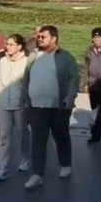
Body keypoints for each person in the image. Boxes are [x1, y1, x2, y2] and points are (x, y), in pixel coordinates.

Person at [23, 25, 79, 190]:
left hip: (58, 106)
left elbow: (73, 79)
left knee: (61, 136)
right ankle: (37, 174)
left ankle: (65, 164)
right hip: (36, 107)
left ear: (54, 38)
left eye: (43, 37)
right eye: (38, 36)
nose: (39, 39)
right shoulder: (33, 56)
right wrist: (25, 99)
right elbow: (25, 79)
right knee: (38, 141)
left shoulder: (65, 57)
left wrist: (70, 98)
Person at [0, 34, 32, 181]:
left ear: (19, 46)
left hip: (20, 104)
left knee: (22, 134)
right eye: (7, 44)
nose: (7, 47)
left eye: (10, 44)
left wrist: (27, 101)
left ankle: (25, 159)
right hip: (3, 103)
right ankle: (2, 168)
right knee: (3, 137)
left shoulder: (27, 62)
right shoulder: (2, 61)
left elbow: (29, 83)